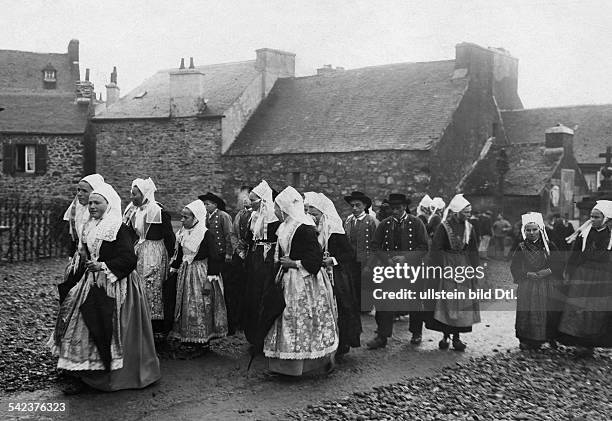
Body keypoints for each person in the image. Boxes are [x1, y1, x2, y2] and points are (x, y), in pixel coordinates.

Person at [49, 182, 160, 394]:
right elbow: (87, 253)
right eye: (90, 203)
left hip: (117, 283)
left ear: (108, 204)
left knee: (108, 326)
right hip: (91, 281)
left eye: (97, 202)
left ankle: (108, 374)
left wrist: (103, 266)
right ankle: (83, 371)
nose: (91, 206)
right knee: (81, 322)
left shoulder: (118, 227)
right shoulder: (90, 225)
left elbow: (129, 259)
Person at [264, 186, 338, 376]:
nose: (275, 211)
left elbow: (314, 260)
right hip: (287, 278)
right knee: (286, 317)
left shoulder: (304, 228)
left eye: (278, 207)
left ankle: (309, 366)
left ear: (286, 208)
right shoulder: (285, 226)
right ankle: (284, 365)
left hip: (303, 280)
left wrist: (294, 263)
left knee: (302, 317)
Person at [367, 193, 429, 349]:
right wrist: (386, 260)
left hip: (411, 269)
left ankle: (416, 333)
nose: (394, 211)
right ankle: (382, 335)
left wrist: (406, 258)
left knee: (415, 301)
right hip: (389, 270)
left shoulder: (416, 223)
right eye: (392, 208)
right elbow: (375, 246)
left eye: (398, 208)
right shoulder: (384, 224)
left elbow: (423, 247)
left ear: (405, 207)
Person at [308, 192, 362, 357]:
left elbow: (349, 254)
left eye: (315, 214)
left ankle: (342, 342)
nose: (312, 217)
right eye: (309, 213)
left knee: (340, 308)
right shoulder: (312, 229)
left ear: (323, 213)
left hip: (336, 275)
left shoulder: (335, 230)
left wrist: (333, 259)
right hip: (318, 274)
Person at [169, 200, 227, 352]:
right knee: (186, 305)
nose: (182, 220)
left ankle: (202, 340)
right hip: (186, 271)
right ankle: (188, 337)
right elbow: (180, 254)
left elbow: (215, 257)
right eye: (182, 216)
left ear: (195, 218)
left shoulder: (205, 234)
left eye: (186, 217)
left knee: (200, 306)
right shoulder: (182, 232)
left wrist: (210, 280)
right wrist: (173, 268)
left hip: (200, 273)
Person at [122, 178, 175, 338]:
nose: (131, 197)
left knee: (153, 287)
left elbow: (169, 236)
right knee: (139, 286)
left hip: (155, 252)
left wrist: (173, 258)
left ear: (144, 194)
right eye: (131, 194)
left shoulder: (157, 211)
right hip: (139, 251)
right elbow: (131, 233)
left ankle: (156, 327)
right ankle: (139, 322)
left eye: (134, 194)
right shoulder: (134, 211)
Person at [558, 200, 612, 356]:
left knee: (597, 309)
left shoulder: (610, 234)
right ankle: (580, 343)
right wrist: (568, 271)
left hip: (604, 275)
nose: (593, 219)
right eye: (592, 216)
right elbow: (575, 254)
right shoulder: (584, 233)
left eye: (596, 217)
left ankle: (592, 343)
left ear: (606, 218)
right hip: (584, 274)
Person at [427, 194, 480, 351]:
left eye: (469, 212)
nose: (468, 215)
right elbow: (436, 249)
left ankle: (457, 337)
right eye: (466, 212)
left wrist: (475, 270)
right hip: (447, 269)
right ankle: (445, 335)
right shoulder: (444, 227)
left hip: (463, 269)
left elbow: (473, 250)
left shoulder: (470, 228)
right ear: (457, 211)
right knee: (447, 304)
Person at [510, 212, 563, 350]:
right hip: (528, 285)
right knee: (527, 311)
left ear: (540, 229)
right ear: (524, 231)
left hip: (547, 284)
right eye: (528, 230)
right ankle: (526, 338)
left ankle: (549, 336)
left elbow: (560, 263)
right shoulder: (520, 247)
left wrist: (549, 271)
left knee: (548, 311)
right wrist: (526, 274)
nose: (531, 232)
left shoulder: (549, 246)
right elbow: (514, 267)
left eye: (534, 229)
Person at [243, 181, 281, 350]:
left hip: (268, 258)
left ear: (263, 200)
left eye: (253, 200)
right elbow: (250, 237)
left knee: (265, 294)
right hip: (255, 257)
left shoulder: (273, 217)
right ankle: (253, 335)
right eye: (250, 200)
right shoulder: (254, 215)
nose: (250, 203)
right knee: (253, 294)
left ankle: (265, 336)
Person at [60, 174, 106, 304]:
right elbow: (74, 236)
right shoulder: (78, 209)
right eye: (78, 190)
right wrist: (72, 255)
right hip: (79, 256)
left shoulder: (100, 213)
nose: (79, 194)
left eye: (84, 191)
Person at [198, 192, 237, 334]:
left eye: (207, 203)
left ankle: (229, 324)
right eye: (204, 204)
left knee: (225, 288)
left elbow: (229, 235)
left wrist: (229, 253)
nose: (205, 206)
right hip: (210, 256)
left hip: (221, 256)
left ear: (215, 205)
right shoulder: (204, 217)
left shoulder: (223, 216)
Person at [343, 191, 378, 310]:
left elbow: (376, 245)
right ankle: (355, 305)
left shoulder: (371, 221)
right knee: (353, 282)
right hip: (351, 259)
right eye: (352, 205)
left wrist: (371, 263)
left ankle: (365, 307)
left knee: (365, 283)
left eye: (358, 205)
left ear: (364, 206)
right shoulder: (348, 221)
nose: (355, 208)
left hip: (365, 259)